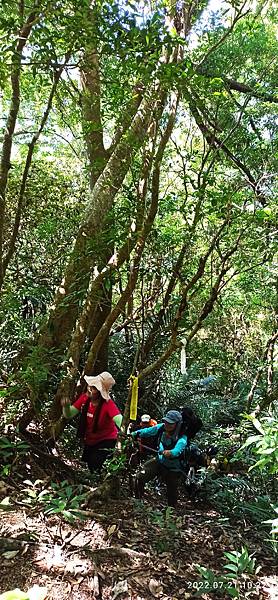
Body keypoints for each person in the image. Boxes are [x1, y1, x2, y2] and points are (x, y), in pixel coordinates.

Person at [62, 371, 122, 473]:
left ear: (100, 392)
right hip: (91, 440)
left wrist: (129, 432)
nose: (89, 389)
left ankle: (100, 485)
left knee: (95, 463)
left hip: (107, 440)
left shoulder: (108, 404)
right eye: (91, 385)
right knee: (90, 464)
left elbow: (119, 419)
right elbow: (69, 414)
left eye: (94, 388)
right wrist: (66, 406)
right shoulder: (85, 398)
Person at [132, 410, 188, 507]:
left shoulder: (182, 438)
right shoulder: (161, 427)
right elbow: (147, 431)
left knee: (172, 491)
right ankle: (137, 502)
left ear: (177, 424)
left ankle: (171, 512)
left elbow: (177, 451)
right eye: (166, 421)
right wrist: (134, 434)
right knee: (140, 476)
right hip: (160, 461)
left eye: (170, 423)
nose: (167, 424)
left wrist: (170, 453)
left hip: (174, 468)